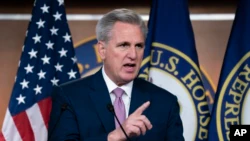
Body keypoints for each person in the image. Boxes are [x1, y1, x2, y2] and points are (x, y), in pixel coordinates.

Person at [48, 8, 184, 141]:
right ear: (102, 50)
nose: (133, 55)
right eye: (124, 45)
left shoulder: (165, 103)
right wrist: (113, 137)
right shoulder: (70, 96)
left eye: (139, 46)